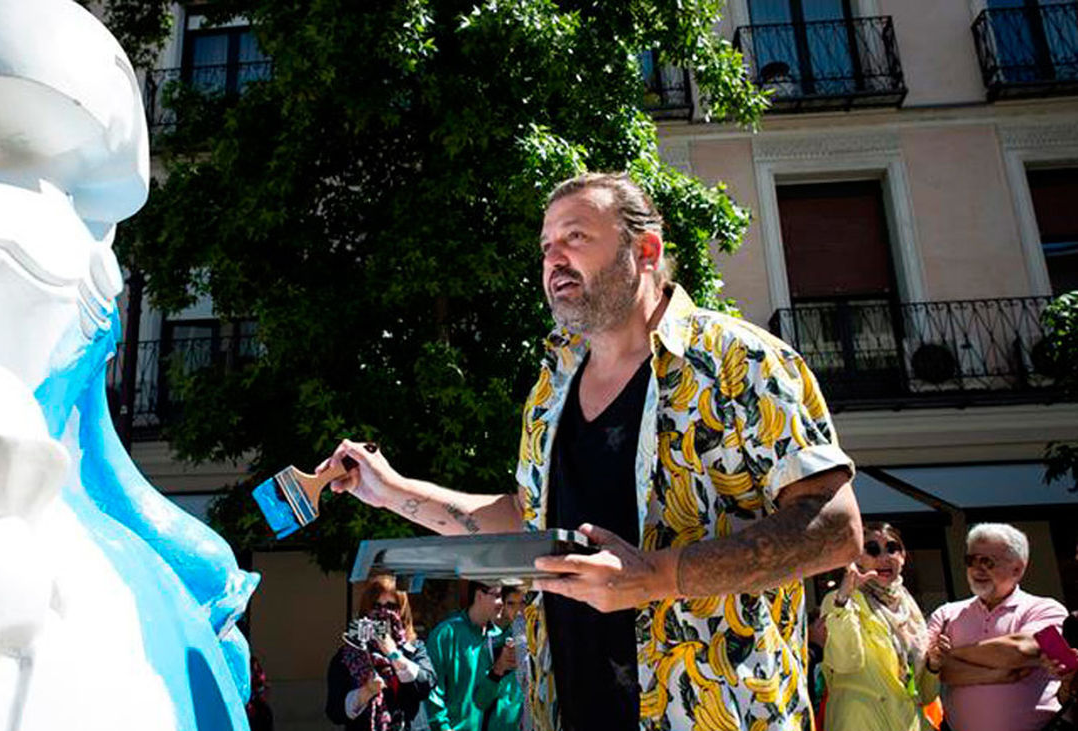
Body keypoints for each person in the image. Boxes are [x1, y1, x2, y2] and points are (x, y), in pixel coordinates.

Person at [324, 172, 863, 730]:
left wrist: (655, 577)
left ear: (645, 250)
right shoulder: (548, 390)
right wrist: (391, 491)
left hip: (713, 712)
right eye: (545, 247)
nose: (553, 259)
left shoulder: (739, 361)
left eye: (576, 238)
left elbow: (834, 529)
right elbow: (525, 521)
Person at [926, 523, 1070, 731]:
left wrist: (952, 656)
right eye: (971, 560)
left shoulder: (1045, 609)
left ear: (1017, 568)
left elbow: (1018, 651)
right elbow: (933, 669)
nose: (977, 568)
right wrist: (996, 674)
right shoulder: (946, 613)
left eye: (987, 561)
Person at [819, 522, 938, 731]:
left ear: (903, 556)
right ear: (856, 558)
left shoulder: (908, 604)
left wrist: (933, 667)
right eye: (872, 550)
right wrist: (844, 600)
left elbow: (925, 694)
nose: (885, 557)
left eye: (892, 548)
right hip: (862, 721)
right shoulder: (838, 601)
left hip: (907, 721)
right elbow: (845, 661)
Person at [327, 574, 436, 731]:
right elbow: (334, 712)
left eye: (391, 607)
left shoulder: (414, 648)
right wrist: (366, 691)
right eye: (376, 606)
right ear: (366, 611)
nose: (384, 613)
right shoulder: (349, 654)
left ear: (402, 611)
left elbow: (426, 685)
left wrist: (393, 653)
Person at [424, 582, 506, 731]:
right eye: (498, 596)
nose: (502, 603)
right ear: (479, 595)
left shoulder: (498, 637)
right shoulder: (446, 634)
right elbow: (433, 691)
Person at [474, 587, 525, 731]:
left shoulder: (548, 643)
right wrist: (499, 668)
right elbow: (480, 701)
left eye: (523, 602)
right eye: (511, 604)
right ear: (503, 606)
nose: (519, 610)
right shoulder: (492, 644)